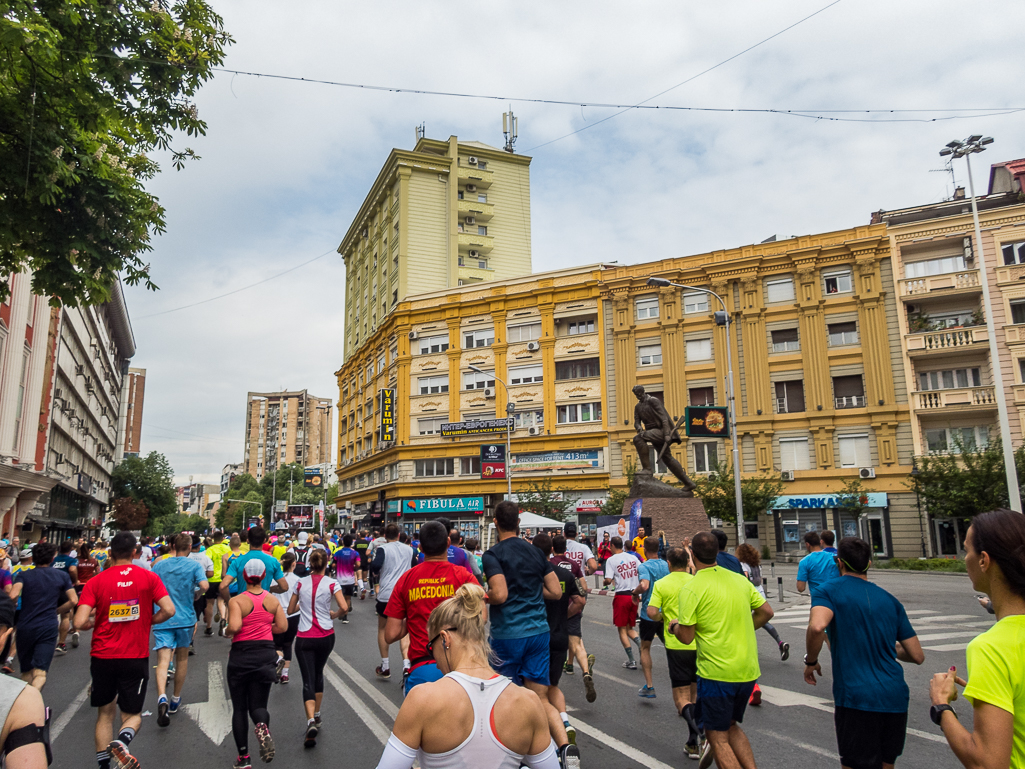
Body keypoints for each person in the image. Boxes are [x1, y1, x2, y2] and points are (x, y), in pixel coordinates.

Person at [372, 583, 571, 769]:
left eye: (431, 648)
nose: (435, 658)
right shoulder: (529, 702)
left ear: (445, 639)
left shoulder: (422, 699)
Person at [805, 536, 924, 769]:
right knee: (885, 764)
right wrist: (887, 647)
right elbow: (917, 655)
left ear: (838, 563)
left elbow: (817, 626)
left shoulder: (826, 591)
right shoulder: (891, 601)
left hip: (856, 698)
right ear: (869, 564)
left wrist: (811, 660)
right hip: (895, 697)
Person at [669, 531, 774, 769]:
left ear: (691, 555)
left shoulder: (692, 588)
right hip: (747, 670)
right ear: (717, 552)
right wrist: (746, 626)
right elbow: (767, 612)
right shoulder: (739, 580)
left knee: (716, 736)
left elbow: (686, 638)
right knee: (732, 725)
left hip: (716, 672)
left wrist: (674, 626)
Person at [929, 509, 1025, 769]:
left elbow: (987, 763)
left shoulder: (992, 648)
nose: (964, 559)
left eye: (967, 550)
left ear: (984, 560)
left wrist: (940, 704)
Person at [74, 531, 175, 769]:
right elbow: (169, 610)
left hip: (102, 656)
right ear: (134, 553)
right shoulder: (148, 578)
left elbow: (78, 622)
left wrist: (92, 622)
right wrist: (149, 620)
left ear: (110, 552)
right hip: (135, 656)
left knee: (104, 714)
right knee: (132, 715)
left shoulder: (97, 581)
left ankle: (104, 766)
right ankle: (122, 741)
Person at [482, 501, 570, 751]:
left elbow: (499, 594)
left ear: (496, 522)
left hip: (508, 635)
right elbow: (555, 591)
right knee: (540, 697)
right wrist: (531, 591)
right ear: (519, 523)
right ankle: (562, 747)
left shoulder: (493, 555)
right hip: (539, 633)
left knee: (504, 697)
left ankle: (514, 751)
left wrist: (482, 595)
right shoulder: (535, 552)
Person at [383, 521, 478, 695]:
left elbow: (390, 635)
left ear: (420, 547)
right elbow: (482, 616)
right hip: (460, 667)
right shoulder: (464, 576)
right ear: (448, 543)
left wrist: (413, 618)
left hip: (423, 667)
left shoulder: (406, 580)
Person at [226, 559, 287, 769]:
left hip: (241, 655)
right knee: (259, 705)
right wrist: (266, 628)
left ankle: (243, 758)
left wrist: (226, 631)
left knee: (240, 708)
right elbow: (283, 626)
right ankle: (262, 725)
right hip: (265, 654)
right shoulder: (272, 600)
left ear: (244, 576)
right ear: (263, 577)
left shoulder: (237, 601)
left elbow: (234, 626)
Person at [647, 546, 703, 760]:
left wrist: (664, 617)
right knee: (694, 695)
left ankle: (701, 735)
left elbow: (651, 612)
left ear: (669, 564)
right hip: (699, 643)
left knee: (681, 700)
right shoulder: (696, 581)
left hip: (677, 643)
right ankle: (692, 743)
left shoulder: (662, 584)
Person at [287, 548, 345, 748]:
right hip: (326, 636)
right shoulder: (332, 583)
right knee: (319, 672)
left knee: (307, 679)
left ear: (310, 564)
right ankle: (318, 715)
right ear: (326, 563)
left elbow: (289, 609)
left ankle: (310, 719)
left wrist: (302, 606)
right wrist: (333, 615)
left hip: (304, 637)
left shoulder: (300, 583)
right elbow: (345, 607)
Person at [151, 533, 209, 727]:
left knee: (163, 660)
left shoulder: (159, 565)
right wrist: (198, 593)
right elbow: (205, 585)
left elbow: (151, 586)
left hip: (162, 617)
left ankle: (161, 696)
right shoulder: (193, 566)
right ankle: (175, 698)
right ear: (190, 546)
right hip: (185, 618)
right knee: (182, 658)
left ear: (173, 546)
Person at [533, 533, 586, 745]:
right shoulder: (565, 574)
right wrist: (565, 615)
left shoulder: (533, 576)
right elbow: (581, 600)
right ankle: (565, 721)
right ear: (551, 550)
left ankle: (550, 738)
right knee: (553, 685)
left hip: (538, 637)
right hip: (560, 636)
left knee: (536, 690)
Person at [9, 542, 77, 690]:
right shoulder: (62, 576)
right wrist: (57, 611)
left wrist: (13, 604)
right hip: (47, 625)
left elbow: (14, 594)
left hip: (25, 626)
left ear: (33, 558)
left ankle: (27, 703)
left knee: (26, 670)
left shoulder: (23, 575)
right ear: (52, 559)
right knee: (40, 672)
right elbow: (73, 600)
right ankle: (35, 699)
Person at [0, 591, 49, 767]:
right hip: (46, 628)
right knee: (38, 676)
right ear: (4, 637)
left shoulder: (22, 574)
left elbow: (12, 591)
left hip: (28, 627)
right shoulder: (20, 700)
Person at [550, 535, 596, 701]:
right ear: (566, 549)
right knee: (577, 644)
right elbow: (583, 587)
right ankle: (585, 672)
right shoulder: (574, 565)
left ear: (552, 549)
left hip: (554, 611)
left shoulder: (550, 565)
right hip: (573, 609)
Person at [369, 524, 412, 680]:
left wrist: (376, 572)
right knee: (405, 630)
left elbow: (375, 566)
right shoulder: (409, 549)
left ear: (385, 536)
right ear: (399, 535)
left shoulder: (383, 549)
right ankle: (406, 665)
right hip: (405, 593)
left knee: (382, 628)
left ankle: (385, 665)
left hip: (387, 594)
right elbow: (414, 567)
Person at [735, 543, 789, 663]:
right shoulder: (756, 564)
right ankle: (779, 641)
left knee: (745, 621)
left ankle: (743, 646)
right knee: (763, 620)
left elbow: (745, 578)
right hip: (760, 592)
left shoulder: (743, 565)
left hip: (751, 592)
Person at [634, 537, 668, 699]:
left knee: (645, 648)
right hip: (666, 613)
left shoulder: (644, 566)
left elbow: (644, 585)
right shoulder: (667, 565)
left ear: (645, 550)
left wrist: (635, 592)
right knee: (672, 646)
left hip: (649, 613)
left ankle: (649, 686)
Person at [602, 536, 641, 670]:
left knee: (622, 630)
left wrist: (605, 582)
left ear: (612, 545)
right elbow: (641, 571)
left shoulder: (611, 560)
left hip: (622, 596)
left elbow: (608, 579)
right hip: (634, 596)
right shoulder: (633, 558)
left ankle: (632, 660)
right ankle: (641, 646)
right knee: (630, 628)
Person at [220, 528, 288, 602]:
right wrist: (269, 589)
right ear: (264, 540)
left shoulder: (238, 561)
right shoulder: (273, 561)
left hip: (243, 606)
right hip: (263, 605)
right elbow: (284, 587)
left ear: (248, 540)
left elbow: (223, 586)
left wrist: (229, 602)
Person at [272, 552, 301, 685]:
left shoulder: (274, 579)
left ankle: (278, 660)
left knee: (277, 644)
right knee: (288, 644)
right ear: (294, 564)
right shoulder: (298, 580)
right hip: (293, 615)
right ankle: (285, 674)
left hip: (277, 614)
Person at [51, 540, 79, 653]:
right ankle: (61, 643)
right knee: (65, 616)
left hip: (51, 589)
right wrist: (75, 580)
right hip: (64, 590)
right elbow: (72, 569)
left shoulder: (53, 560)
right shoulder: (72, 560)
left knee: (48, 613)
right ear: (70, 550)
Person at [796, 530, 841, 598]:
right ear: (820, 543)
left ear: (808, 544)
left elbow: (801, 588)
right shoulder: (833, 557)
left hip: (818, 599)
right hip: (835, 596)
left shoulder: (804, 561)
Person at [188, 535, 215, 640]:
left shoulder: (186, 557)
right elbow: (210, 573)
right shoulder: (205, 558)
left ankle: (188, 640)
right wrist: (201, 576)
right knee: (196, 615)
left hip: (186, 591)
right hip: (200, 591)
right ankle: (191, 640)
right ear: (199, 546)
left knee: (189, 616)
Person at [205, 531, 231, 634]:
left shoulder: (210, 550)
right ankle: (223, 618)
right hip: (224, 579)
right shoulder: (227, 549)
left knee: (210, 603)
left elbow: (207, 562)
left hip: (212, 579)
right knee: (222, 601)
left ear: (213, 539)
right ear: (223, 539)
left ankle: (209, 626)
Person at [332, 534, 361, 622]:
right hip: (350, 579)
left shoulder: (338, 553)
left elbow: (333, 564)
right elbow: (358, 564)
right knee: (348, 598)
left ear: (343, 542)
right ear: (351, 542)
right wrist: (354, 567)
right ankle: (345, 616)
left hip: (340, 579)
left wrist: (336, 568)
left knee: (340, 597)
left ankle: (341, 611)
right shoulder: (355, 553)